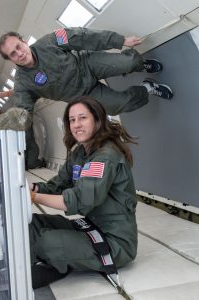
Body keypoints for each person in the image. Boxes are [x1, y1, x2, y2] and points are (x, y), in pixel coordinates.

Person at [0, 27, 173, 169]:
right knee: (118, 105)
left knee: (129, 62)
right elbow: (23, 113)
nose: (19, 53)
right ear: (11, 60)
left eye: (18, 46)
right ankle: (147, 87)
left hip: (87, 65)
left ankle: (140, 64)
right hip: (83, 95)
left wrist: (120, 40)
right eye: (13, 54)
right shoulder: (22, 83)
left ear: (24, 42)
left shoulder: (49, 41)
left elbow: (83, 36)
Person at [28, 96, 138, 289]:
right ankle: (57, 257)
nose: (76, 125)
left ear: (97, 120)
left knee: (49, 242)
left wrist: (34, 198)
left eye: (82, 118)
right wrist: (34, 188)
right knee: (33, 223)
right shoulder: (81, 152)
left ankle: (58, 258)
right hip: (91, 227)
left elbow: (81, 201)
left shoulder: (105, 156)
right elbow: (59, 184)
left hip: (115, 240)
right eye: (72, 120)